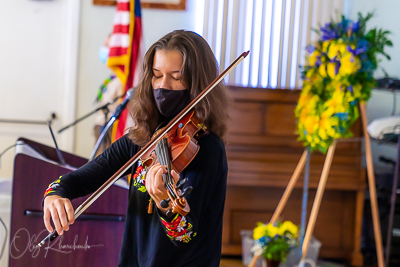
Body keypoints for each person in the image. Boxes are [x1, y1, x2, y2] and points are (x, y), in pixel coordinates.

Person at [42, 30, 232, 267]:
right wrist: (55, 194)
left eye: (176, 76)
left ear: (197, 82)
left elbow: (185, 235)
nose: (163, 86)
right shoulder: (144, 140)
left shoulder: (207, 149)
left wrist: (165, 202)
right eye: (156, 75)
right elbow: (85, 176)